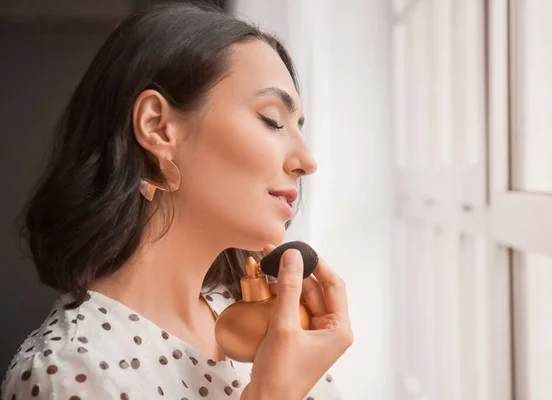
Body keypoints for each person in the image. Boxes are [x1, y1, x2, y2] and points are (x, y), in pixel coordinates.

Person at [1, 3, 353, 399]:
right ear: (158, 127)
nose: (307, 162)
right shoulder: (67, 373)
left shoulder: (262, 323)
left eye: (297, 128)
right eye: (272, 120)